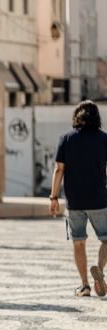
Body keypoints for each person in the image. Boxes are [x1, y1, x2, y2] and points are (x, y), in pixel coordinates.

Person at [50, 100, 107, 297]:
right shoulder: (104, 139)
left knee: (78, 242)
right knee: (106, 239)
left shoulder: (66, 138)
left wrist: (53, 197)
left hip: (74, 201)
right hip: (100, 199)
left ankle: (84, 286)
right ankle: (99, 269)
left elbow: (59, 170)